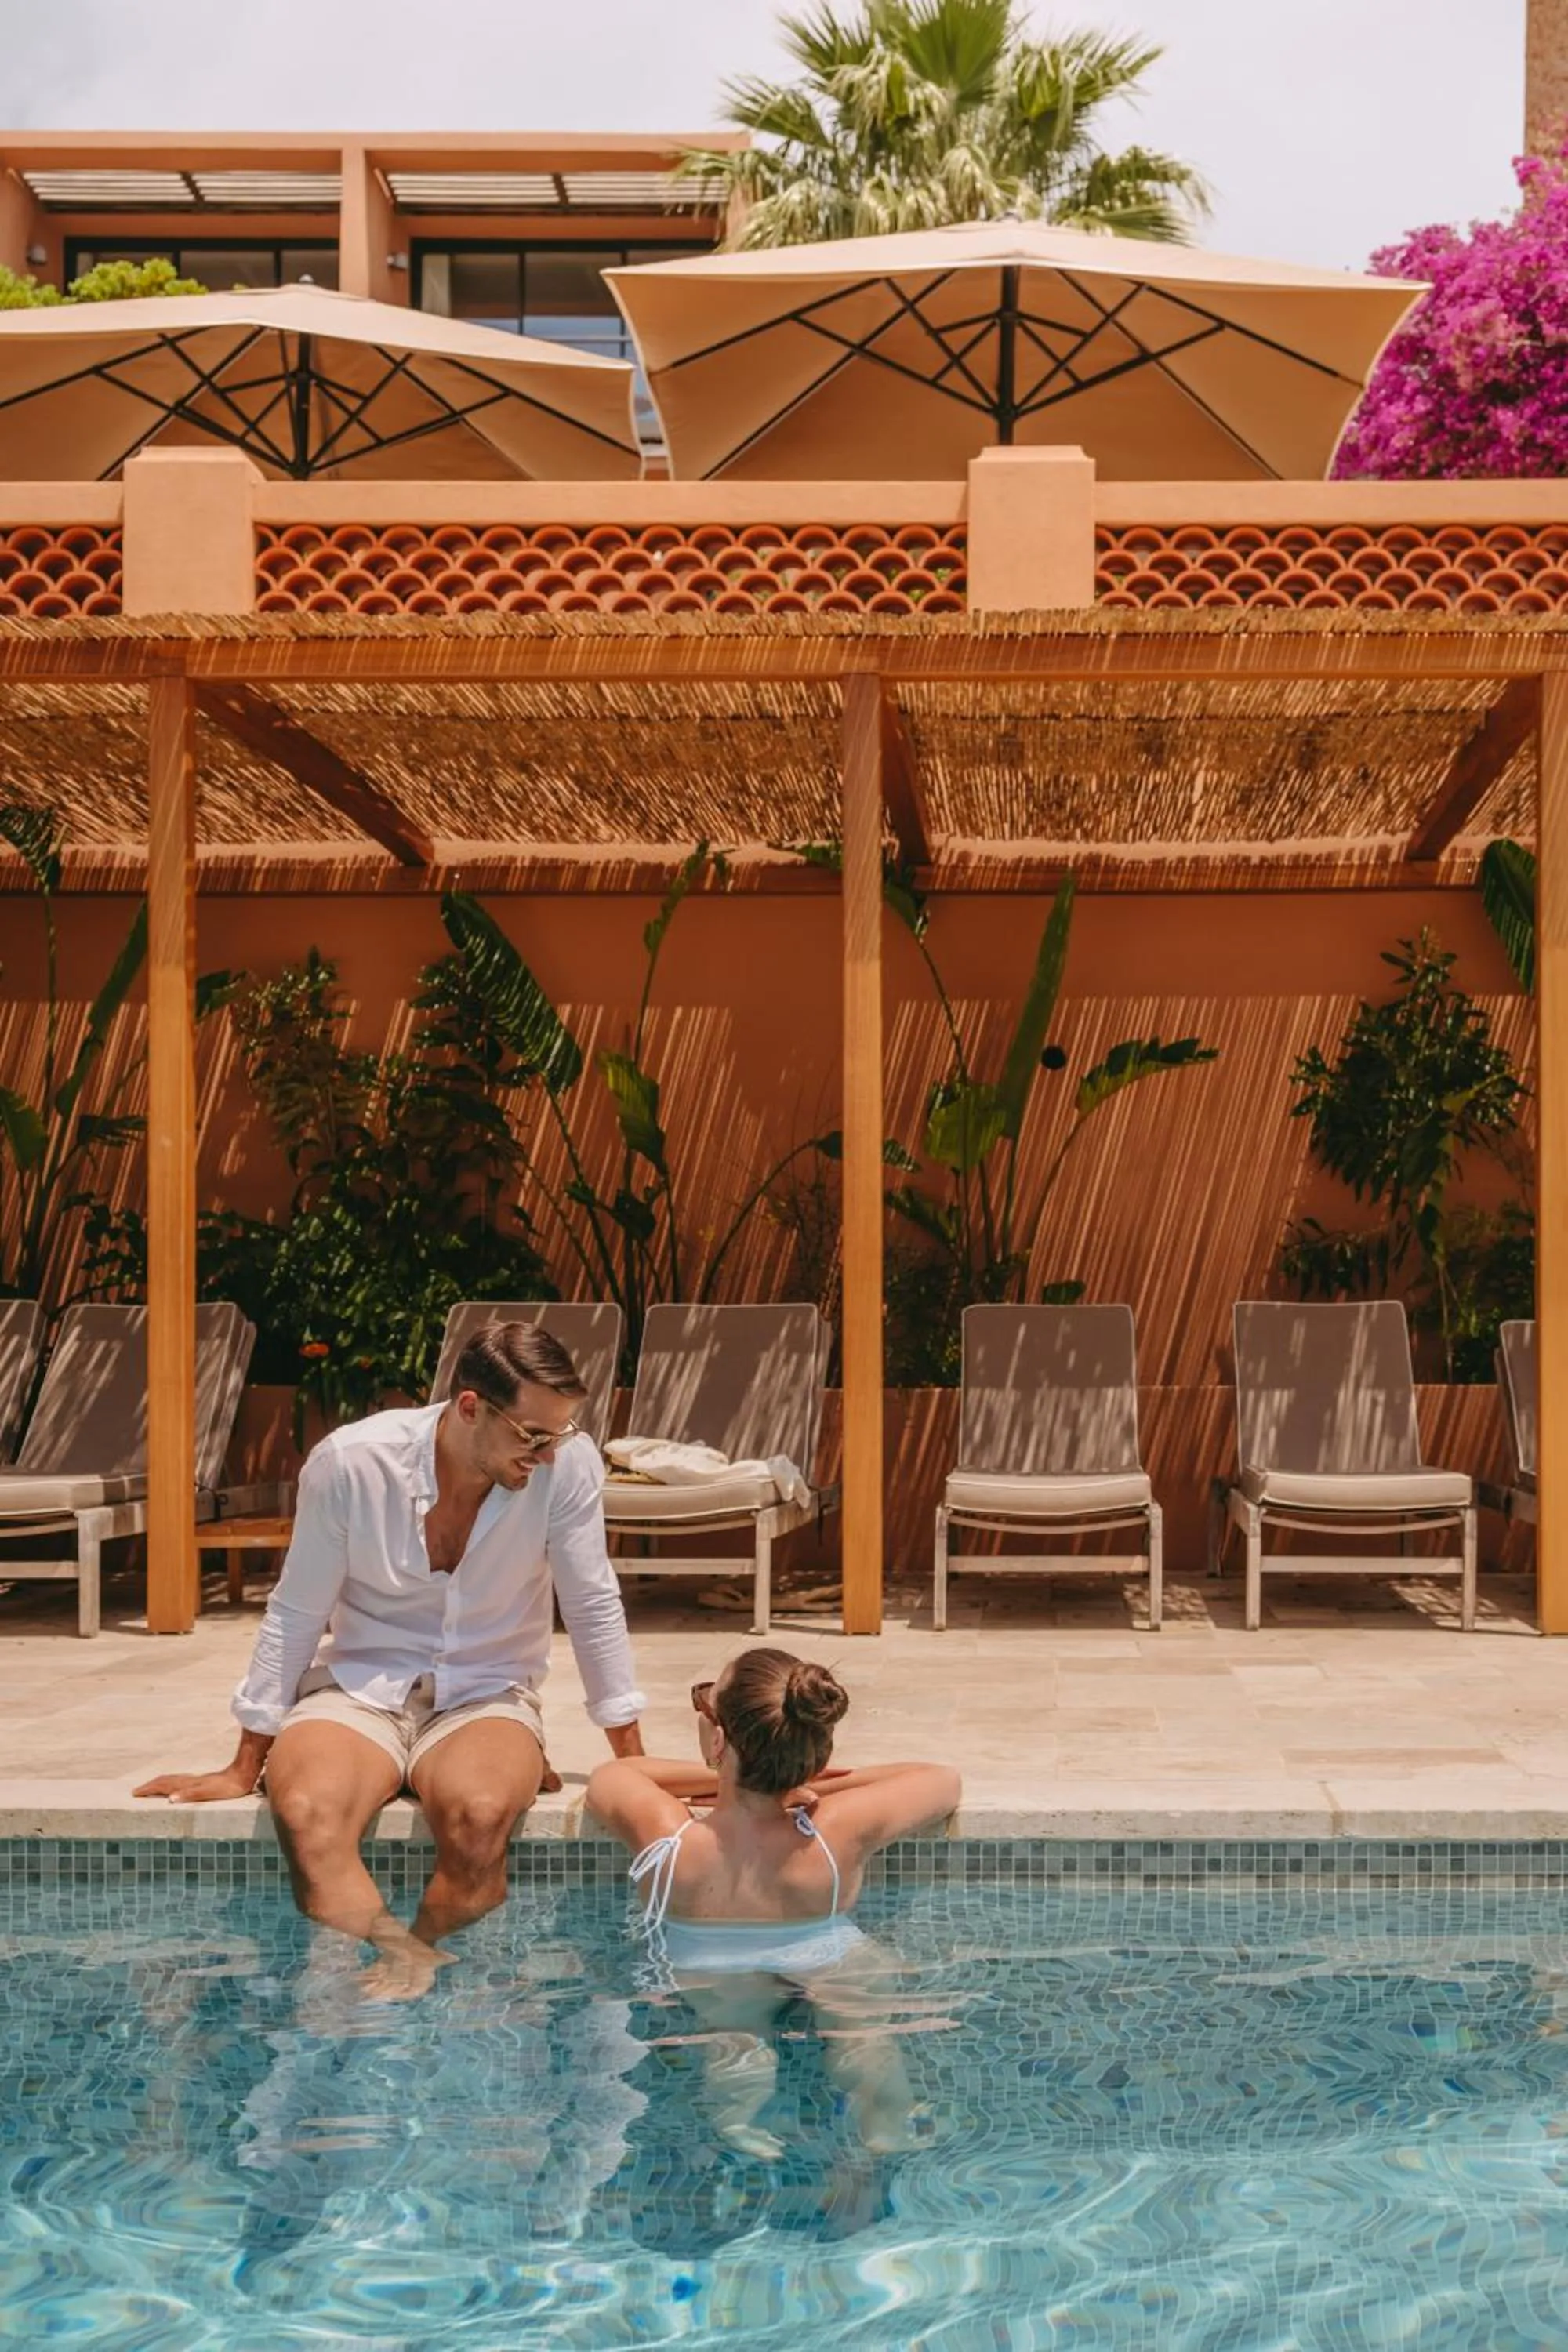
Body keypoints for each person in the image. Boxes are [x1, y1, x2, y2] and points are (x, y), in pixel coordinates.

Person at [136, 1320, 645, 1998]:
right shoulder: (351, 1463)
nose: (549, 1454)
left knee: (482, 1812)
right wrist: (244, 1762)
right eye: (533, 1436)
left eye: (563, 1435)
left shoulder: (566, 1466)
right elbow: (297, 1608)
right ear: (470, 1408)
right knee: (307, 1813)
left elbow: (592, 1604)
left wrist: (632, 1761)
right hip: (358, 1686)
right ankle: (400, 1953)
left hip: (488, 1690)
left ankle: (422, 1956)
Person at [586, 1646, 959, 2155]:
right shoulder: (834, 1830)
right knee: (862, 2030)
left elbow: (613, 1776)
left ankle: (741, 2125)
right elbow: (939, 1779)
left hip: (709, 1964)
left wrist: (720, 1771)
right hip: (822, 1953)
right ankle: (885, 2126)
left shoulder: (669, 1838)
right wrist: (806, 1779)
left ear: (717, 1740)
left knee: (733, 2032)